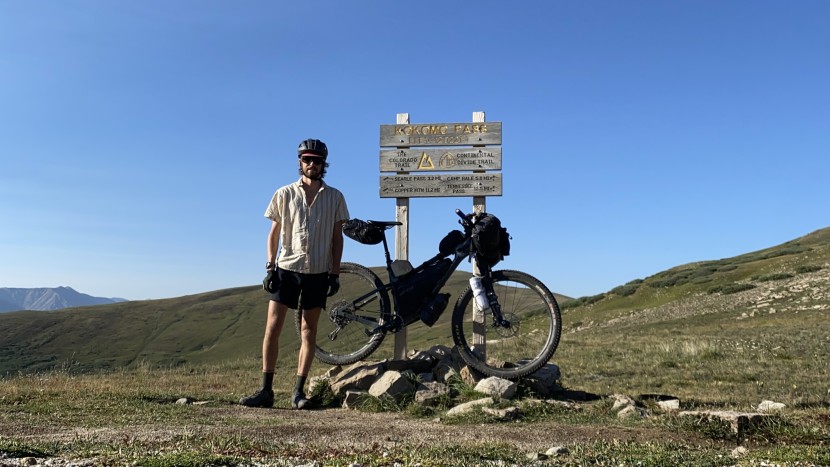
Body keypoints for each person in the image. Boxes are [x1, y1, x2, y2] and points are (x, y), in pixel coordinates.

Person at [240, 138, 349, 410]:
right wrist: (269, 266)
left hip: (317, 272)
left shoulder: (335, 197)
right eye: (307, 159)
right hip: (287, 268)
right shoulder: (284, 193)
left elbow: (338, 238)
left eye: (317, 160)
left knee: (308, 331)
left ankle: (298, 394)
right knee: (272, 328)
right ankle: (266, 391)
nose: (312, 164)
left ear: (325, 164)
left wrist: (334, 274)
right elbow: (274, 233)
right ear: (300, 162)